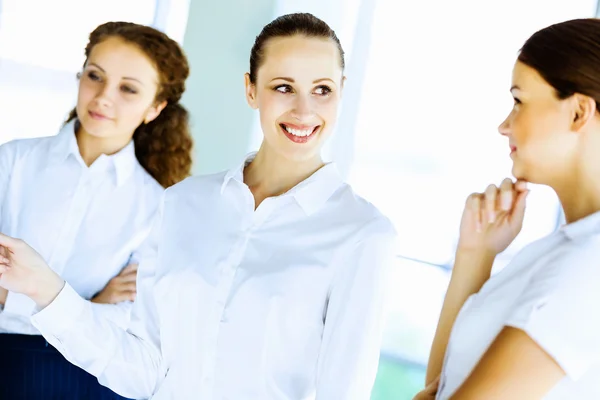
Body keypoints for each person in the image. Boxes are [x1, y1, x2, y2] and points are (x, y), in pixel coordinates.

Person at [0, 13, 396, 400]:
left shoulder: (362, 234)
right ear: (251, 90)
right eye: (283, 87)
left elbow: (344, 391)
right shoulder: (182, 203)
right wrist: (45, 289)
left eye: (322, 89)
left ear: (342, 90)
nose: (304, 110)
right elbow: (144, 371)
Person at [0, 21, 193, 399]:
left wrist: (16, 296)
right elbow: (106, 316)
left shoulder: (159, 207)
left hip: (87, 380)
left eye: (128, 89)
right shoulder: (12, 162)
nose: (103, 97)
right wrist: (87, 306)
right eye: (95, 76)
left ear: (155, 107)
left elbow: (129, 323)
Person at [412, 18, 600, 400]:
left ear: (579, 112)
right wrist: (475, 253)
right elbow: (444, 384)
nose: (504, 125)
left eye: (519, 101)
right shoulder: (559, 250)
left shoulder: (588, 264)